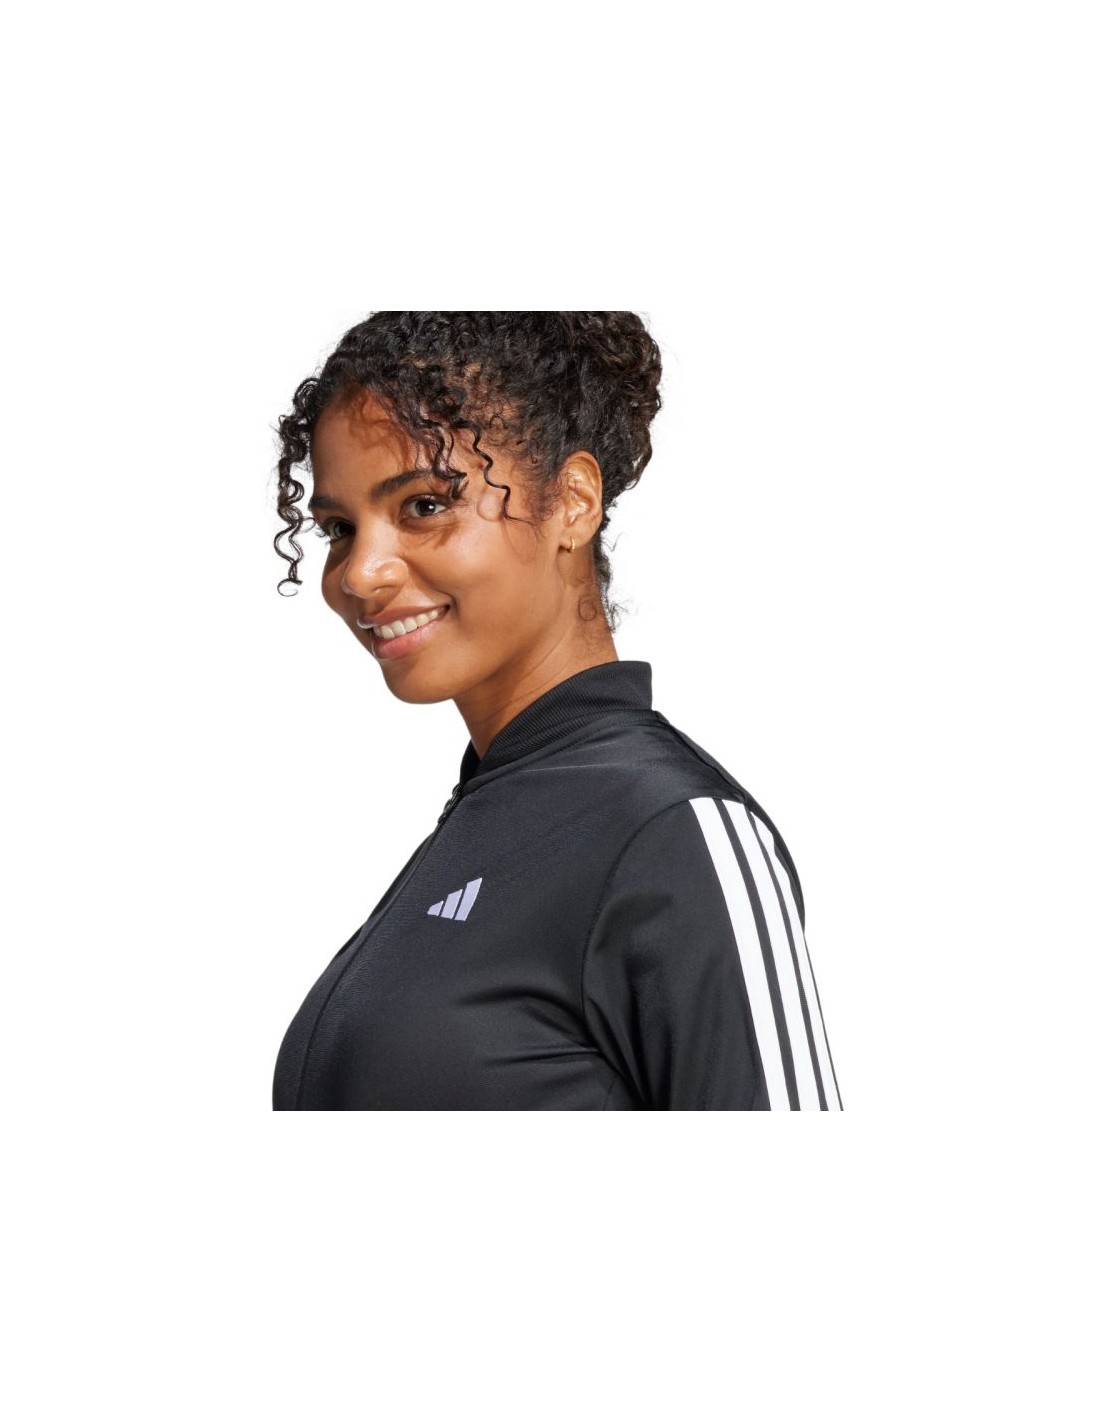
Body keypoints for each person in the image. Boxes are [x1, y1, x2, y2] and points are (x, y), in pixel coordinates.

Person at [270, 311, 842, 1111]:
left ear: (573, 502)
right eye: (339, 527)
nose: (360, 574)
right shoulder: (494, 817)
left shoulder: (670, 827)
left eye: (425, 505)